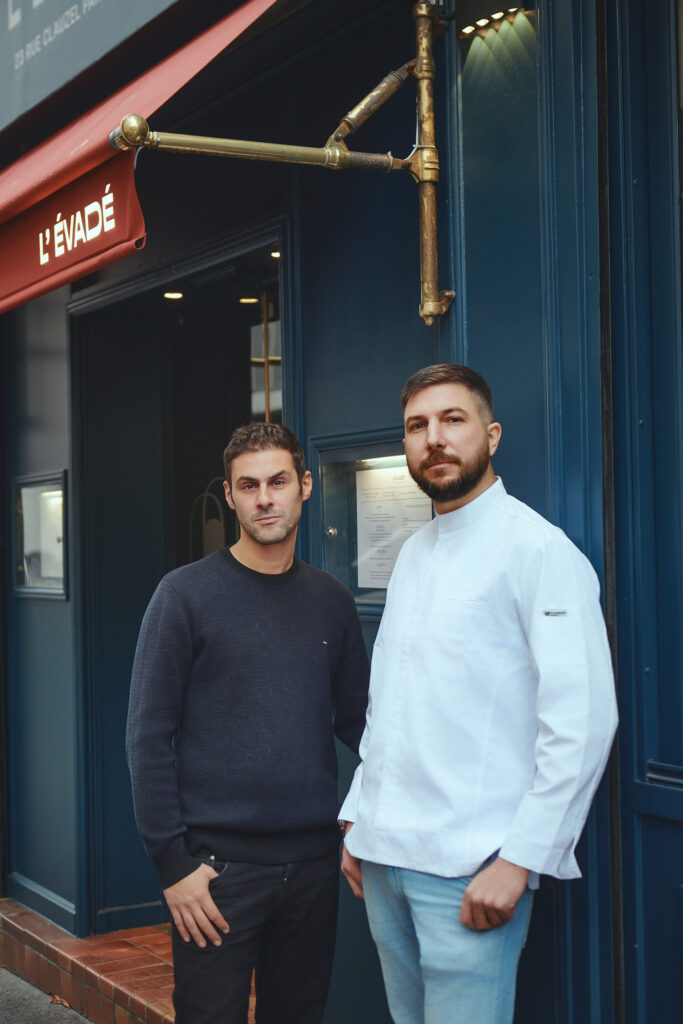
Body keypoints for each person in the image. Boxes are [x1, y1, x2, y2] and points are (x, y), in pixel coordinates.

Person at [339, 364, 618, 1024]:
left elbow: (582, 720)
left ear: (490, 436)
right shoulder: (412, 553)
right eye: (417, 425)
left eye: (452, 420)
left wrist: (521, 859)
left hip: (471, 869)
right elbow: (390, 703)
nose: (433, 437)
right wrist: (357, 819)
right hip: (382, 859)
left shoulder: (538, 551)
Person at [126, 422, 370, 1024]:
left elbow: (364, 725)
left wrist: (378, 817)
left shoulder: (332, 601)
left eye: (278, 482)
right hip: (215, 873)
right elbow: (147, 737)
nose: (265, 498)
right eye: (249, 486)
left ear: (304, 486)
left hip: (313, 867)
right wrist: (173, 866)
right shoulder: (183, 595)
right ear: (230, 496)